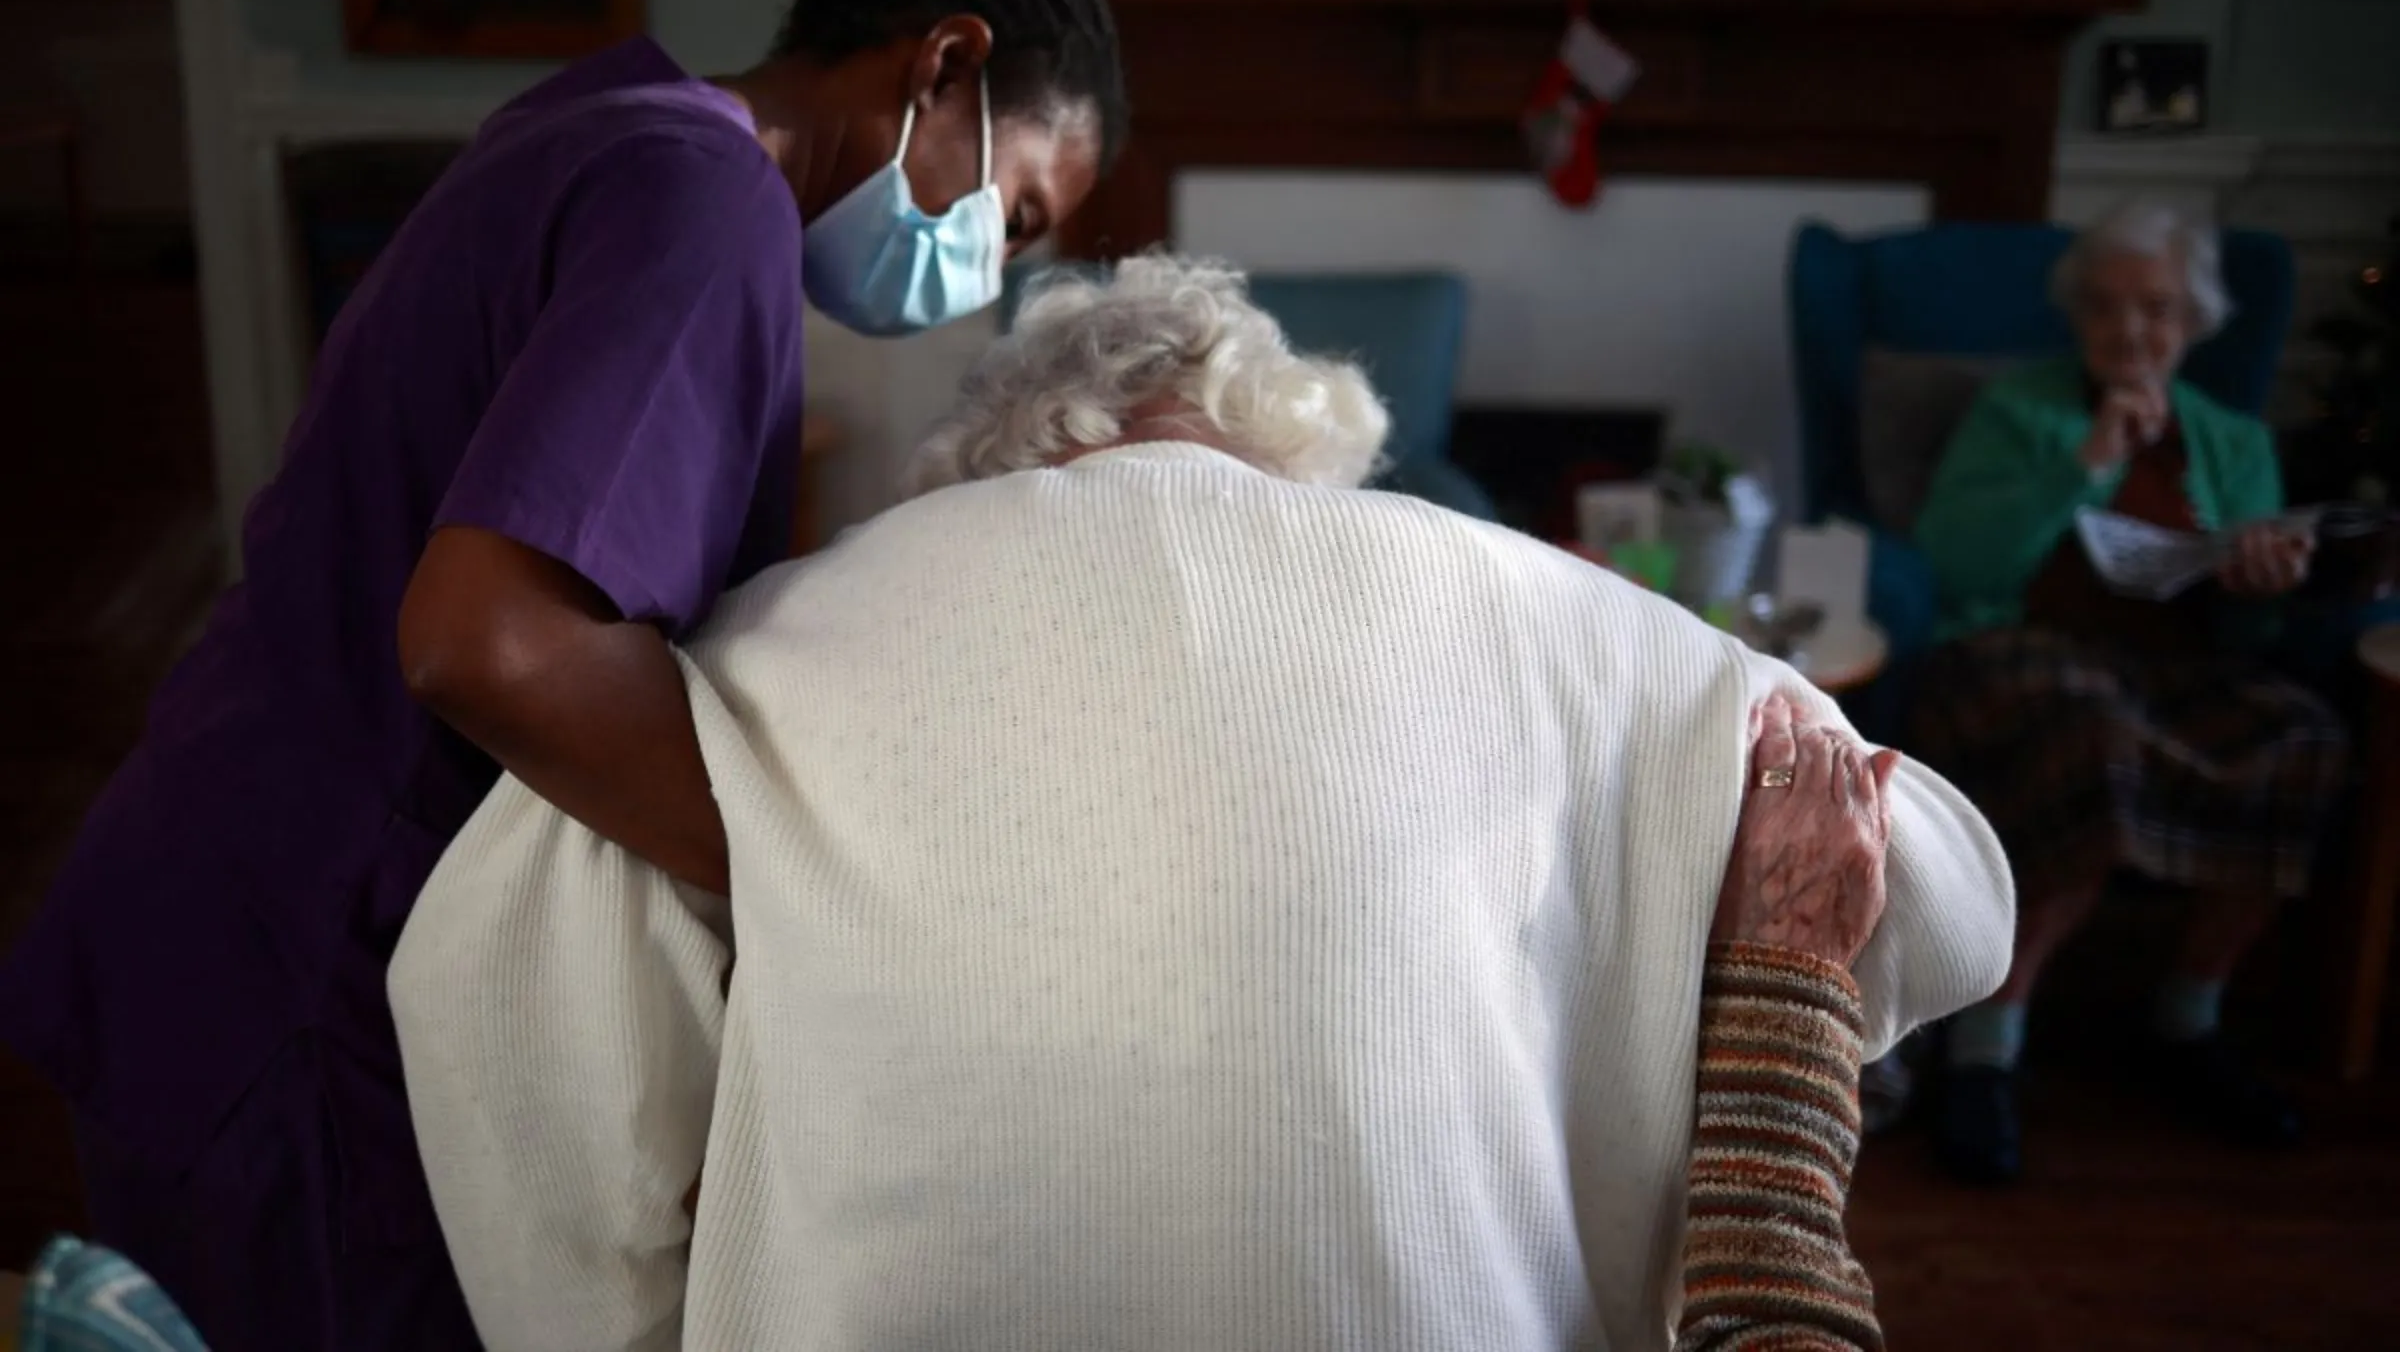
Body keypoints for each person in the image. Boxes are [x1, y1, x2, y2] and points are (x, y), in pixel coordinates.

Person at [391, 255, 2010, 1351]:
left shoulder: (773, 633)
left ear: (998, 465)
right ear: (1305, 457)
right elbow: (1950, 898)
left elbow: (490, 1001)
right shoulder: (1560, 616)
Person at [0, 0, 1125, 1350]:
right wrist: (823, 883)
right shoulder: (706, 204)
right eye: (1020, 210)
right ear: (942, 65)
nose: (990, 263)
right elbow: (492, 640)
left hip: (208, 881)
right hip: (300, 971)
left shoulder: (603, 116)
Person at [1910, 201, 2345, 1186]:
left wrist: (2260, 585)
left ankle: (2190, 1016)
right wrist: (2086, 464)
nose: (2130, 332)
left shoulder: (2233, 443)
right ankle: (1988, 1040)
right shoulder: (2020, 411)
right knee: (2091, 733)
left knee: (2304, 734)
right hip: (2021, 647)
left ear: (2191, 321)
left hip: (2182, 670)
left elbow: (2254, 633)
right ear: (2077, 320)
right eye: (2104, 310)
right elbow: (1952, 557)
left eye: (2154, 309)